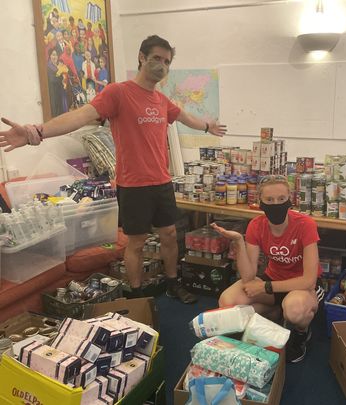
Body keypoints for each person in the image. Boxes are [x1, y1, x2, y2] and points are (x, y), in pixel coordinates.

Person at [0, 35, 227, 303]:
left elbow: (185, 116)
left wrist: (206, 127)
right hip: (133, 186)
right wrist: (35, 132)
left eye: (166, 62)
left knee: (169, 235)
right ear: (142, 57)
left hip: (162, 182)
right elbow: (81, 116)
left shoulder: (162, 101)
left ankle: (172, 283)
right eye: (156, 58)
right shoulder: (118, 93)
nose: (161, 65)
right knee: (137, 243)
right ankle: (138, 294)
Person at [213, 175, 325, 363]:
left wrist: (265, 287)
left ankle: (300, 334)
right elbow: (248, 276)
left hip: (302, 288)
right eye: (269, 200)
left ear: (291, 199)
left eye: (281, 199)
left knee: (295, 310)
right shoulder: (256, 225)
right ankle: (275, 313)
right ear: (260, 203)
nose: (276, 204)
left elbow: (309, 280)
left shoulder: (305, 225)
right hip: (272, 281)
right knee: (227, 301)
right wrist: (239, 241)